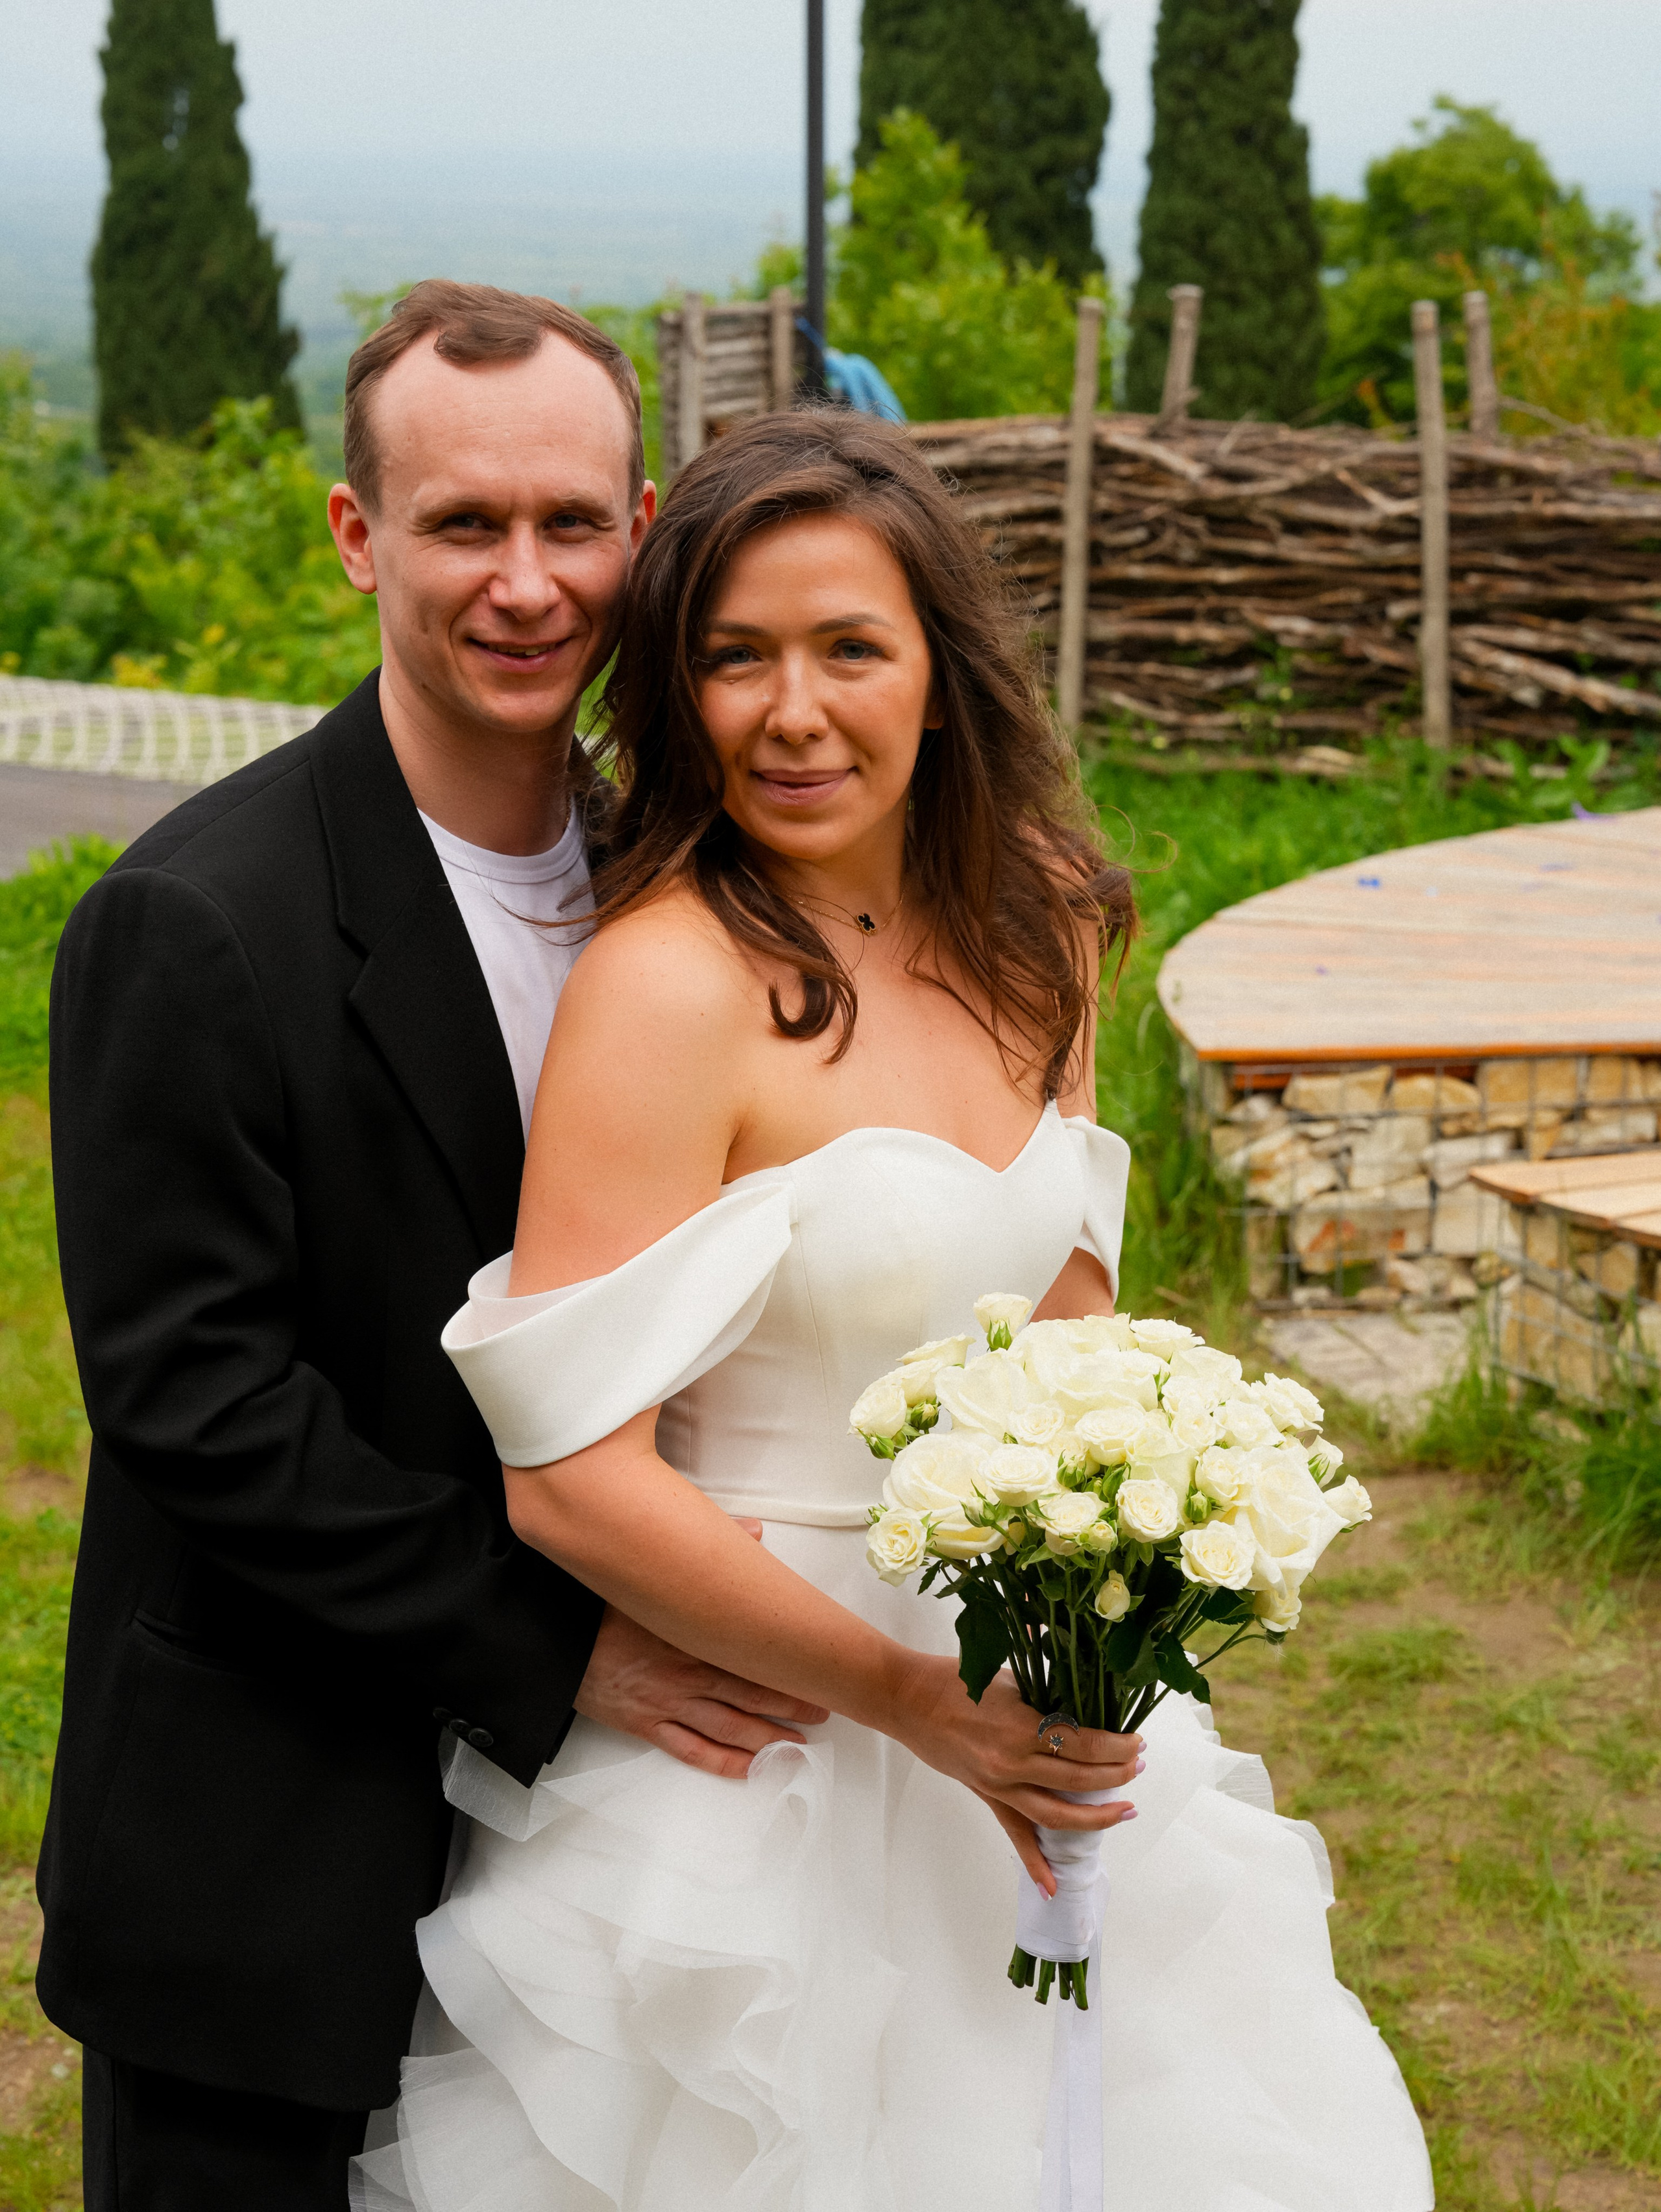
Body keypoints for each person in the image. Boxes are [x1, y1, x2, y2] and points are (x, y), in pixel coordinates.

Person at [354, 411, 1435, 2210]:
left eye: (851, 647)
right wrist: (908, 1698)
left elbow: (1078, 1313)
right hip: (762, 1737)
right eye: (733, 655)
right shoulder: (665, 983)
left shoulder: (1046, 925)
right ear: (674, 689)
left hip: (1042, 1699)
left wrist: (1122, 1582)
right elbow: (567, 1474)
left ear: (943, 669)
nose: (794, 711)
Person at [42, 282, 832, 2212]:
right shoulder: (195, 919)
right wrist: (568, 1644)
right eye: (465, 524)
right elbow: (200, 1405)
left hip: (613, 1888)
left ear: (640, 531)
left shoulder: (692, 887)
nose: (527, 582)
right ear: (355, 534)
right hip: (284, 1861)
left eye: (572, 523)